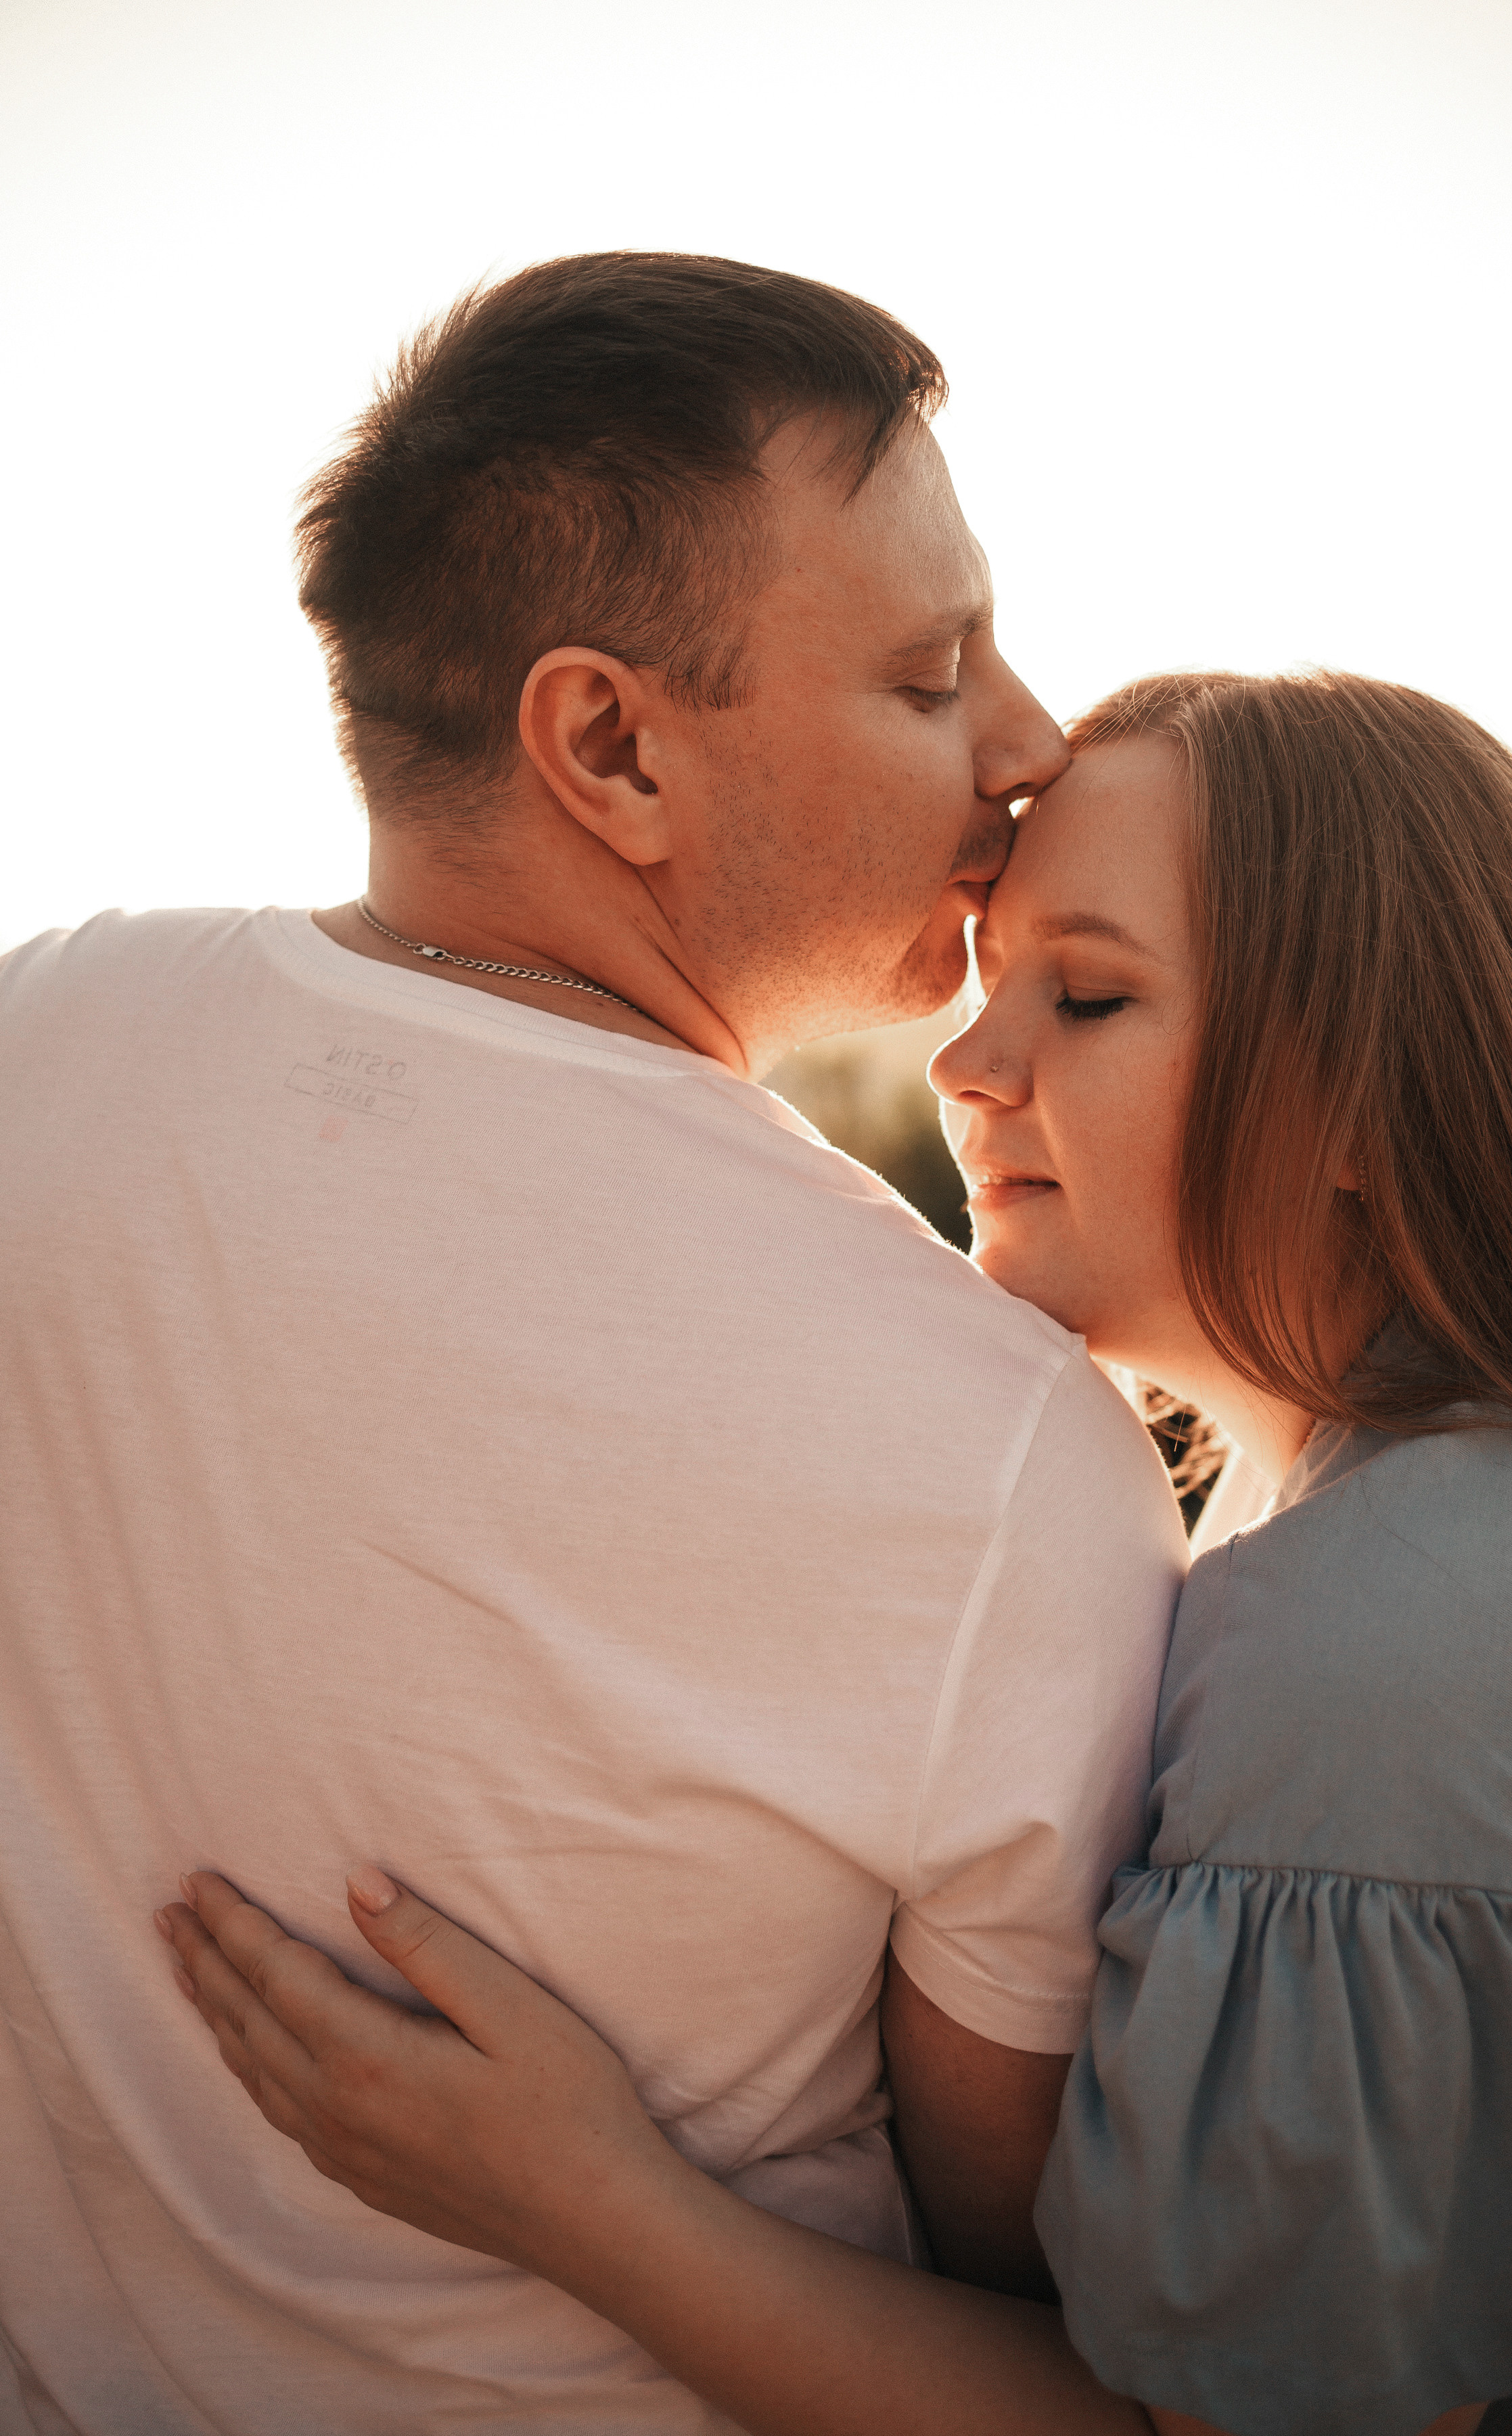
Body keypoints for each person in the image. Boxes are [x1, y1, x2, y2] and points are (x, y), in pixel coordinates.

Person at [0, 257, 1191, 2432]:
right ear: (611, 745)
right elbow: (1070, 2335)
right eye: (934, 677)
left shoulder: (40, 1043)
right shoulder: (1001, 1441)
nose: (1032, 748)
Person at [161, 669, 1512, 2436]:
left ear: (1364, 1100)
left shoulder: (1383, 1682)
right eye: (995, 977)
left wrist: (577, 2201)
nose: (964, 1062)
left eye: (1084, 995)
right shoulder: (1415, 1514)